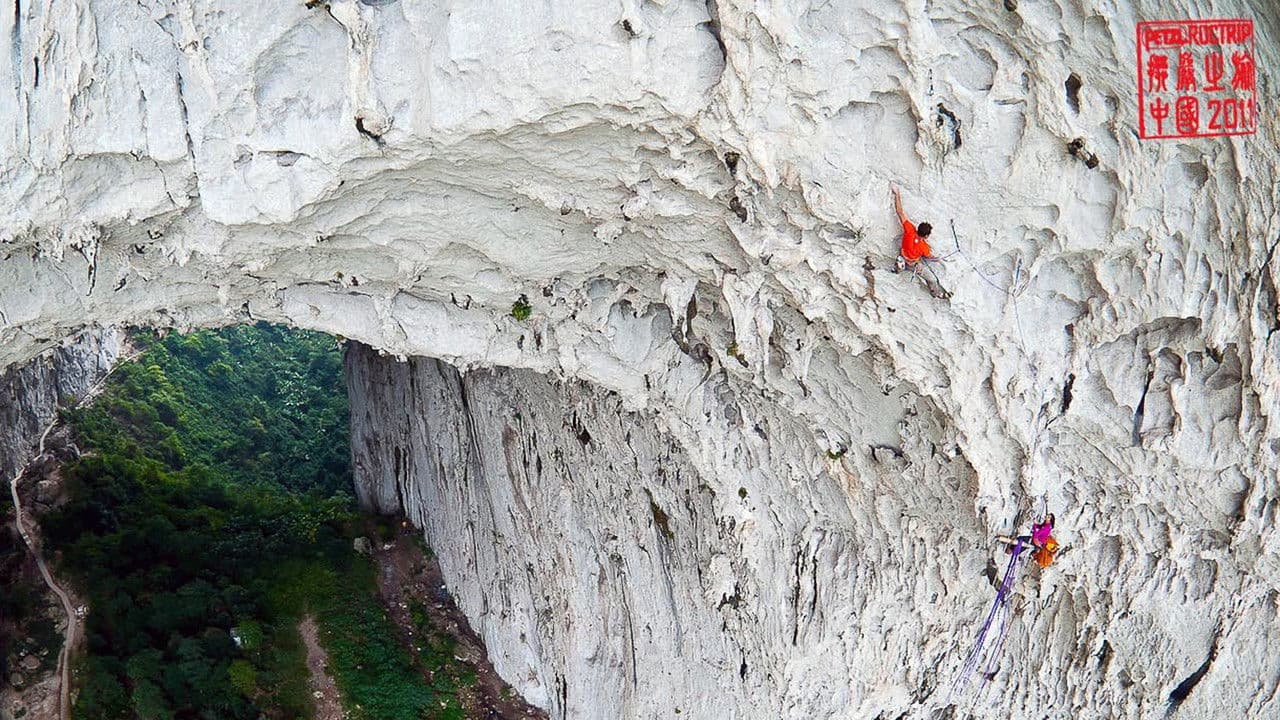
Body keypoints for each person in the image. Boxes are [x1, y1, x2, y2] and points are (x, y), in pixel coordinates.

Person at [891, 185, 935, 267]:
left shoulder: (910, 230)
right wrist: (937, 258)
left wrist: (897, 194)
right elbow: (929, 256)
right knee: (918, 260)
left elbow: (900, 212)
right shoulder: (924, 247)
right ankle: (915, 267)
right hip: (911, 261)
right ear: (926, 236)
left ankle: (900, 264)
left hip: (903, 254)